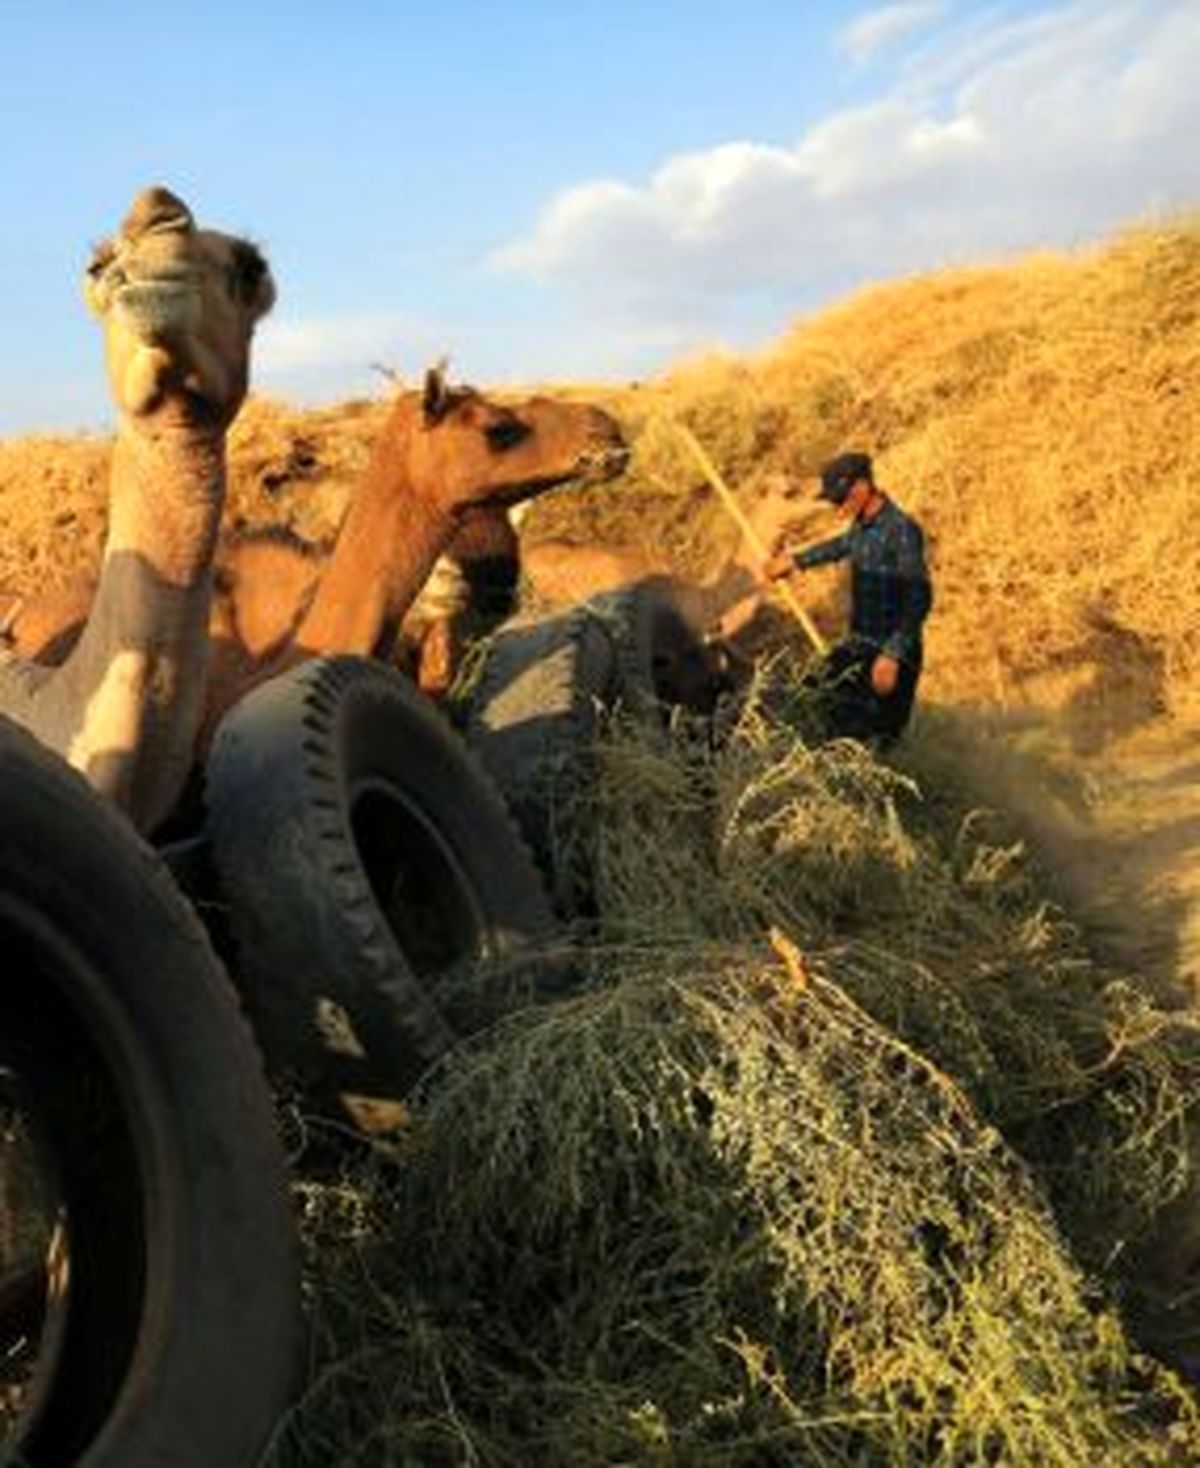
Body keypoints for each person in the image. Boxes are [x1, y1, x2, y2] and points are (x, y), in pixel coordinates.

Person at [761, 450, 932, 747]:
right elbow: (840, 546)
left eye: (840, 499)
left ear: (862, 487)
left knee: (874, 744)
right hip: (859, 646)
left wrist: (892, 655)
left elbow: (920, 596)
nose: (836, 507)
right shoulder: (861, 527)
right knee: (808, 698)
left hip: (892, 657)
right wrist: (795, 561)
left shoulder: (902, 530)